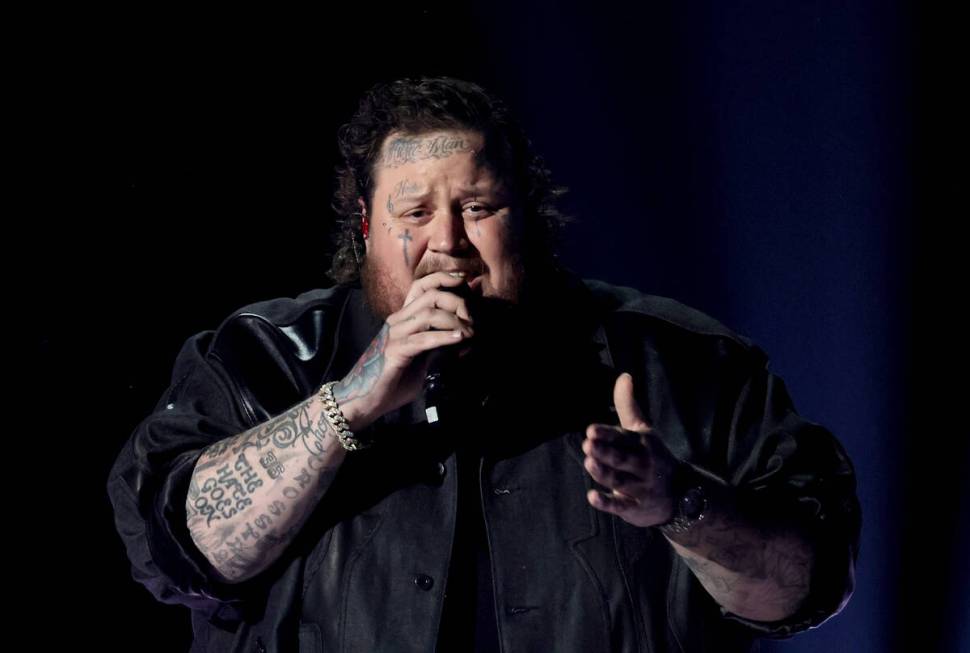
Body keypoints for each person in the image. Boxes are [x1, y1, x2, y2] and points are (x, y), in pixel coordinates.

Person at [107, 76, 860, 653]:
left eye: (477, 206)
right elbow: (179, 551)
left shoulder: (689, 364)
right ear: (366, 226)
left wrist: (682, 503)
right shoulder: (263, 356)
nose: (449, 244)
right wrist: (349, 403)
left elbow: (809, 584)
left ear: (526, 215)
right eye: (415, 213)